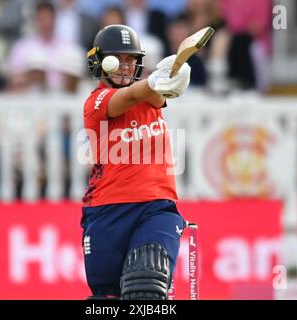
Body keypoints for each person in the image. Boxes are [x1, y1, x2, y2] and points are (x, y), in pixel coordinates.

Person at [81, 24, 190, 300]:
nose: (125, 67)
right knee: (106, 299)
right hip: (107, 211)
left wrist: (172, 75)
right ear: (100, 61)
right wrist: (155, 81)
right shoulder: (97, 101)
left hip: (156, 207)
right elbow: (129, 96)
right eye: (117, 59)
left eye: (131, 59)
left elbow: (152, 93)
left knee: (146, 288)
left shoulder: (150, 96)